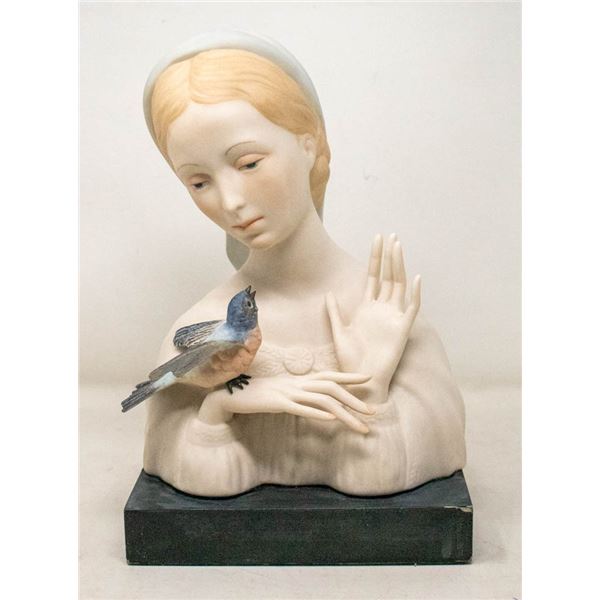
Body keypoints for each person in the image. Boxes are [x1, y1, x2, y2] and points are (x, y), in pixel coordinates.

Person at [140, 32, 466, 496]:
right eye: (198, 182)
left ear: (309, 143)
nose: (230, 201)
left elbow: (391, 477)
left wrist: (371, 388)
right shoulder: (200, 327)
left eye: (249, 163)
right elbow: (185, 474)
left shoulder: (384, 315)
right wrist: (220, 408)